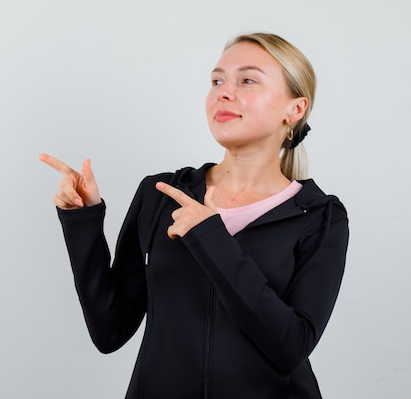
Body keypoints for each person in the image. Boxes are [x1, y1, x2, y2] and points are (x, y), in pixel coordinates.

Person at [39, 32, 349, 399]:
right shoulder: (163, 196)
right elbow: (110, 331)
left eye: (247, 80)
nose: (224, 92)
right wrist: (83, 221)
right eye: (217, 80)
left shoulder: (319, 216)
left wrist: (210, 237)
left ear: (294, 110)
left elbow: (290, 347)